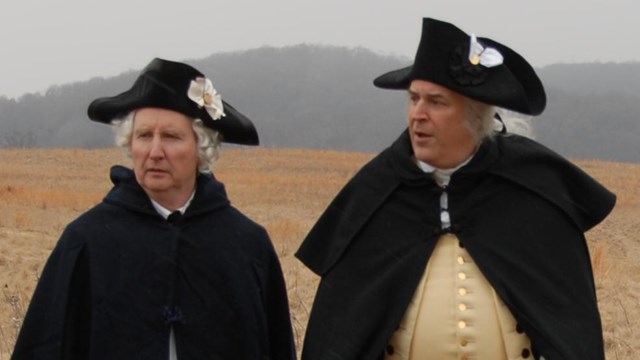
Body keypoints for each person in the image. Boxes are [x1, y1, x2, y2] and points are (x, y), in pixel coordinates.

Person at [296, 18, 615, 360]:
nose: (418, 114)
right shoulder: (376, 195)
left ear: (476, 115)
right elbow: (340, 335)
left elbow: (570, 332)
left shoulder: (533, 193)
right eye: (414, 98)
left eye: (436, 102)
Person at [12, 58, 296, 359]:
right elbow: (45, 347)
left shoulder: (247, 246)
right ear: (130, 144)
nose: (155, 152)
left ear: (201, 149)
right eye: (144, 136)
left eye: (171, 137)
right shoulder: (87, 240)